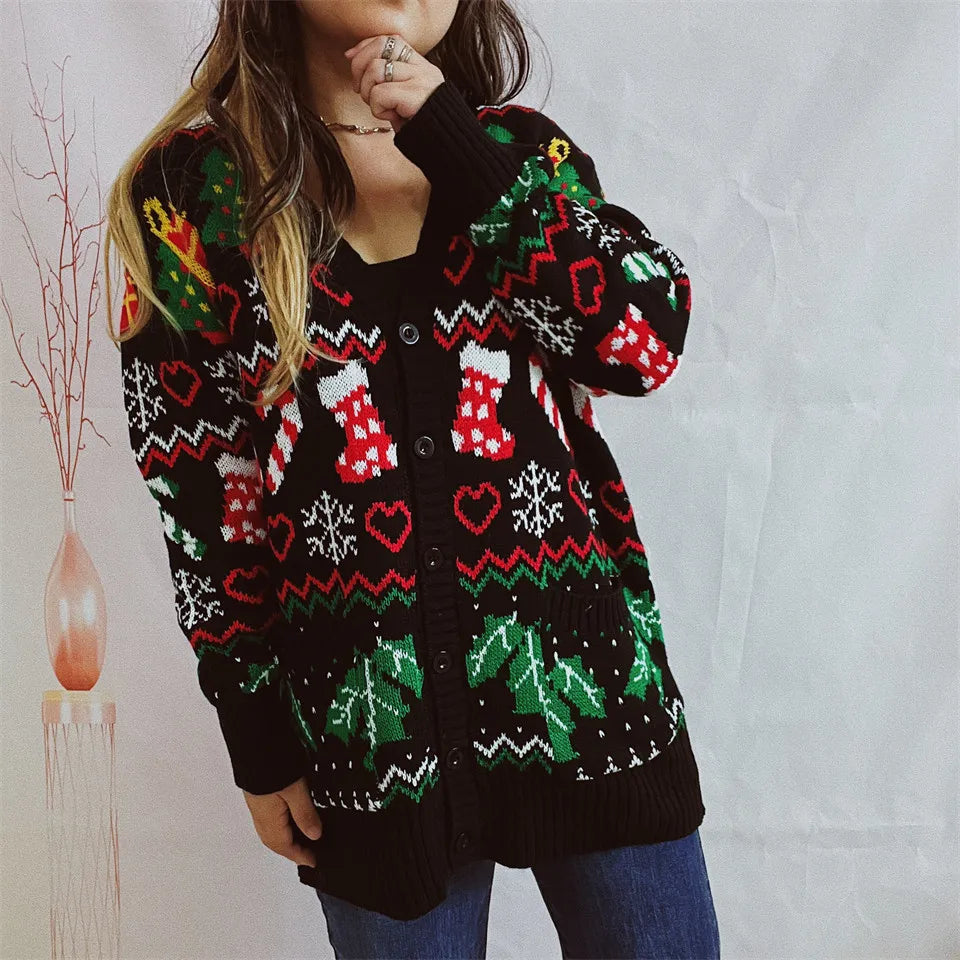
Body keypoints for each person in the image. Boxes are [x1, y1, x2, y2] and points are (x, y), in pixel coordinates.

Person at [105, 1, 720, 957]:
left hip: (591, 700)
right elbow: (199, 493)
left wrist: (456, 146)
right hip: (369, 738)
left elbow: (642, 342)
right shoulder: (191, 195)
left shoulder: (522, 155)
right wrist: (255, 729)